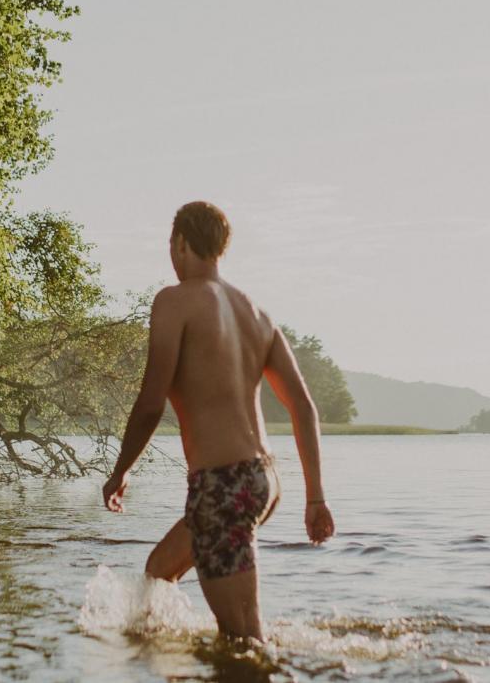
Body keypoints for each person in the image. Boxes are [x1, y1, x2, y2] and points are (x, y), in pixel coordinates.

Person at [103, 201, 337, 640]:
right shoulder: (257, 314)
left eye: (171, 248)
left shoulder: (175, 302)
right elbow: (303, 407)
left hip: (223, 485)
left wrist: (122, 470)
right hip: (261, 481)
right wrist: (315, 498)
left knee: (244, 640)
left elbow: (152, 401)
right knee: (157, 575)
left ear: (181, 244)